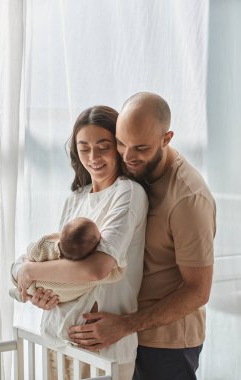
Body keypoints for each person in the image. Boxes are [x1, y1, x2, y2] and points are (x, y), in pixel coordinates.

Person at [64, 92, 216, 380]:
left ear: (166, 138)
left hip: (166, 343)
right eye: (121, 143)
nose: (128, 156)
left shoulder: (188, 198)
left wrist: (126, 324)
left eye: (141, 148)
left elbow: (198, 290)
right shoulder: (132, 175)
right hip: (123, 333)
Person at [13, 105, 148, 380]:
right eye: (84, 148)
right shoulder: (76, 197)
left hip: (100, 346)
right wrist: (46, 294)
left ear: (119, 147)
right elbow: (57, 257)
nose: (93, 157)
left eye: (103, 146)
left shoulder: (128, 193)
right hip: (58, 334)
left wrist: (29, 272)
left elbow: (96, 269)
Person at [9, 217, 124, 303]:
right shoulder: (84, 277)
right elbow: (116, 273)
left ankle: (21, 293)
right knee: (28, 284)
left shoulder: (46, 247)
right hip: (49, 292)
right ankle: (22, 294)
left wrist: (28, 261)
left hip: (32, 285)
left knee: (19, 265)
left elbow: (31, 251)